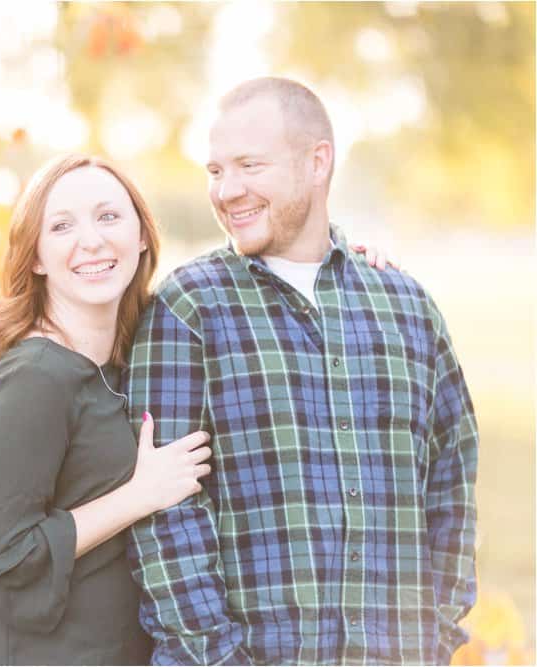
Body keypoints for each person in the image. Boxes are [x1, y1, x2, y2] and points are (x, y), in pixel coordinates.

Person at [0, 151, 398, 666]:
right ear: (34, 256)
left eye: (108, 217)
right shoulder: (35, 376)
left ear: (142, 235)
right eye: (61, 226)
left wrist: (334, 262)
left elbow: (241, 291)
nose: (92, 240)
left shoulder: (139, 347)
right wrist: (137, 496)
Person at [124, 77, 477, 666]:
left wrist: (434, 636)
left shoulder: (406, 307)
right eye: (215, 171)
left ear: (318, 162)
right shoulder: (190, 308)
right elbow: (166, 517)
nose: (227, 191)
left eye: (249, 166)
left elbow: (452, 485)